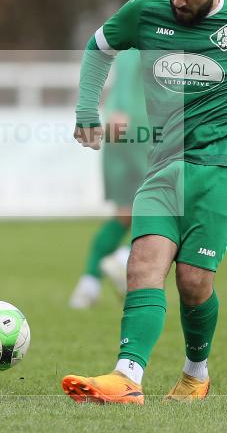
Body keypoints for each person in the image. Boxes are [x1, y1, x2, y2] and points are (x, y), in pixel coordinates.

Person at [62, 0, 227, 403]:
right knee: (142, 267)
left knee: (193, 281)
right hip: (165, 162)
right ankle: (127, 378)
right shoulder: (146, 11)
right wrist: (86, 112)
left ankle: (196, 373)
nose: (178, 0)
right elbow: (99, 48)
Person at [68, 48, 149, 308]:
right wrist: (123, 109)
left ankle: (88, 284)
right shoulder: (156, 29)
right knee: (170, 208)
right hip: (142, 126)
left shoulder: (131, 30)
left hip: (120, 128)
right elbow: (129, 64)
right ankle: (126, 258)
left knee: (125, 213)